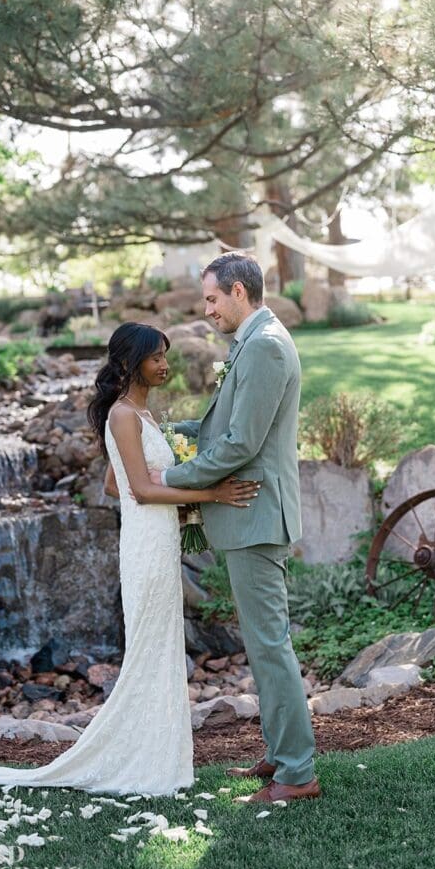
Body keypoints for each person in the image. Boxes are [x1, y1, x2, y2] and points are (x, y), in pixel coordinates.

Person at [0, 321, 259, 796]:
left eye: (165, 356)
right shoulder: (123, 416)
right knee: (150, 650)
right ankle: (143, 762)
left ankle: (157, 758)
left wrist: (177, 493)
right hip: (146, 547)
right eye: (156, 358)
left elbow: (115, 485)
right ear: (131, 362)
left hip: (157, 539)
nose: (165, 365)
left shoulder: (139, 414)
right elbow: (142, 490)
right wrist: (209, 492)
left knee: (161, 648)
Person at [151, 252, 320, 805]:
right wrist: (159, 431)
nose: (207, 310)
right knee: (263, 644)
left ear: (240, 292)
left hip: (256, 515)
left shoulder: (266, 346)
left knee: (270, 646)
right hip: (249, 516)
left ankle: (297, 773)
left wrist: (171, 475)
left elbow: (242, 444)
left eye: (212, 298)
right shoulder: (252, 342)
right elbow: (220, 427)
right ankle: (280, 752)